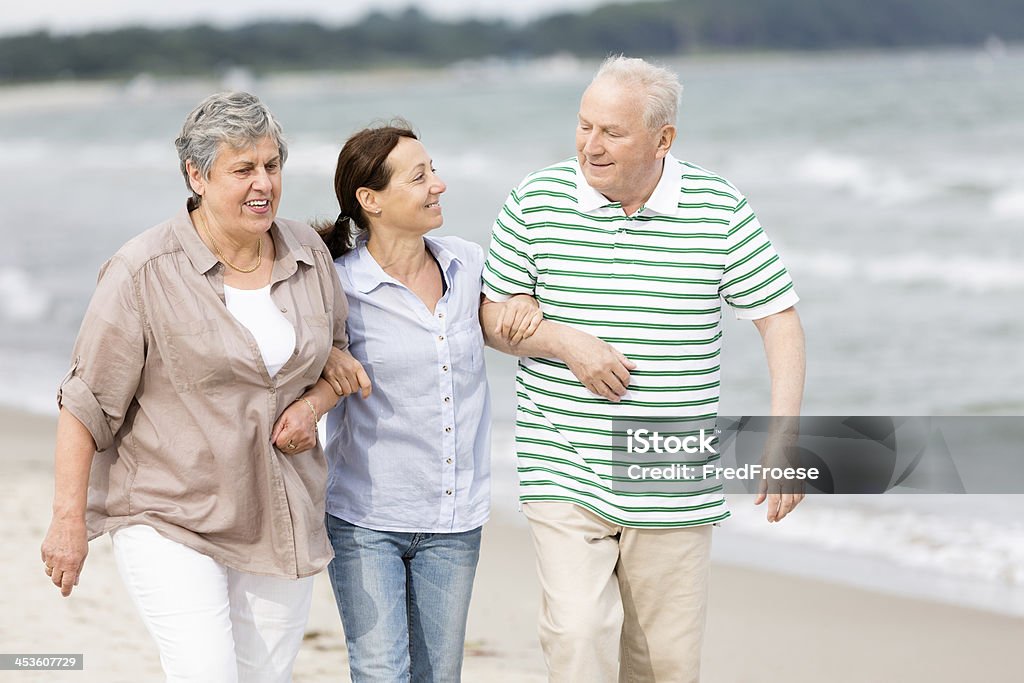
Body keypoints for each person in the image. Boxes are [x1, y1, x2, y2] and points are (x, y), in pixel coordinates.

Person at [480, 56, 807, 682]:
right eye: (583, 126)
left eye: (611, 132)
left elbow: (780, 320)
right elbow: (494, 320)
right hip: (563, 456)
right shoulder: (535, 200)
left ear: (664, 139)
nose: (589, 146)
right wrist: (565, 341)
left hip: (671, 464)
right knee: (577, 635)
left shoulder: (717, 206)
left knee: (666, 664)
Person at [40, 91, 365, 683]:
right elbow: (86, 403)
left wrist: (315, 403)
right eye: (242, 169)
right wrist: (68, 523)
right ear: (197, 174)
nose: (262, 183)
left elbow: (334, 361)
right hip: (169, 511)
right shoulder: (142, 270)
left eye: (271, 165)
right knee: (205, 671)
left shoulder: (308, 252)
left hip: (279, 511)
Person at [315, 123, 540, 682]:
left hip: (454, 519)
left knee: (439, 676)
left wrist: (528, 300)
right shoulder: (336, 288)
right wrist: (324, 364)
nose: (438, 184)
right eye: (419, 177)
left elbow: (509, 317)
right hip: (366, 518)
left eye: (433, 169)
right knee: (380, 672)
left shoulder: (468, 265)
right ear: (371, 200)